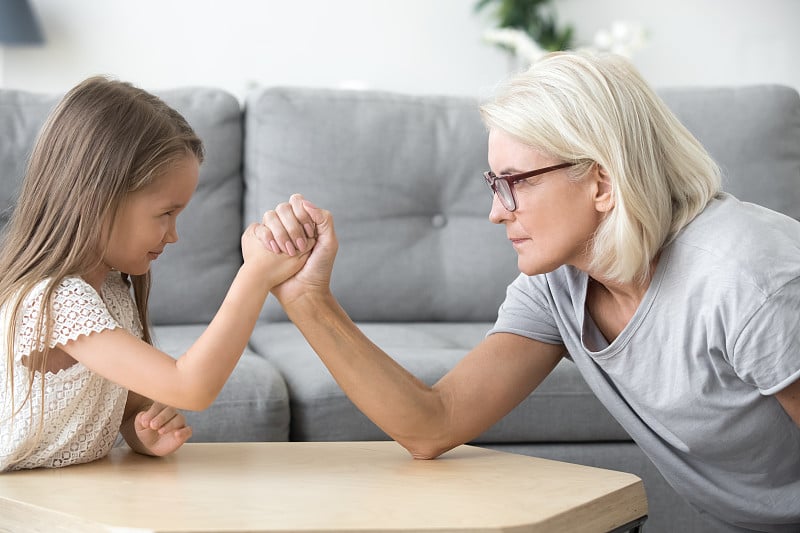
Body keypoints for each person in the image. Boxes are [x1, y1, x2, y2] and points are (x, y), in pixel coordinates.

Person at [260, 51, 800, 532]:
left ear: (603, 183)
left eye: (516, 183)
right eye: (495, 186)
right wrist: (309, 300)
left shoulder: (749, 281)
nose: (497, 212)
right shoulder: (558, 283)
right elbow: (434, 424)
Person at [0, 77, 313, 471]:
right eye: (166, 213)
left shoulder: (111, 291)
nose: (174, 234)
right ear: (97, 199)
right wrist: (255, 277)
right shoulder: (57, 300)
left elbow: (126, 400)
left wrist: (139, 429)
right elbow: (189, 387)